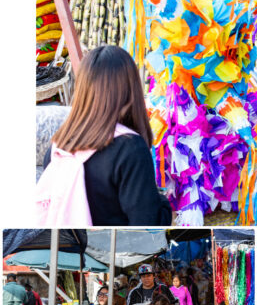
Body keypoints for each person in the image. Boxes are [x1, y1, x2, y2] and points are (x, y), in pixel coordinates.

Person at [40, 45, 172, 226]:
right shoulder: (130, 149)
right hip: (117, 250)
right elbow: (149, 225)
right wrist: (162, 202)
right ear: (130, 88)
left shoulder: (58, 148)